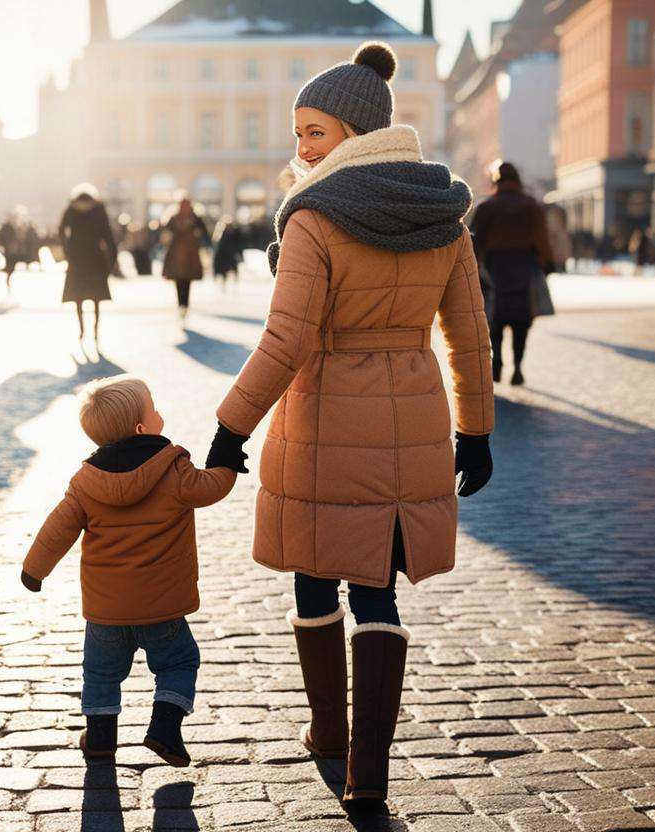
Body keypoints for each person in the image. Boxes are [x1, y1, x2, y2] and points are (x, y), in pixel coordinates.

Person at [205, 41, 494, 814]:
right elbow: (468, 335)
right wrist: (477, 429)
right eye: (298, 132)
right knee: (377, 590)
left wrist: (231, 429)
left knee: (314, 573)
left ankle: (329, 730)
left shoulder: (314, 216)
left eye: (316, 131)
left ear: (356, 133)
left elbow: (286, 341)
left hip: (325, 420)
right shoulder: (444, 215)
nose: (302, 146)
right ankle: (369, 770)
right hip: (412, 421)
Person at [19, 376, 237, 766]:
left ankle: (100, 738)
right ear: (141, 427)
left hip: (106, 611)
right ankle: (164, 727)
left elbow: (57, 529)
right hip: (162, 608)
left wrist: (34, 571)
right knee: (179, 662)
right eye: (153, 408)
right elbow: (211, 488)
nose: (158, 411)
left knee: (100, 674)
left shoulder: (86, 482)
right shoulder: (174, 469)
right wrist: (227, 456)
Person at [471, 161, 554, 386]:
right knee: (521, 320)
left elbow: (475, 241)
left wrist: (474, 267)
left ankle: (497, 362)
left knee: (495, 317)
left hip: (494, 267)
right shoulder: (531, 206)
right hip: (524, 266)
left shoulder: (487, 207)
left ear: (497, 180)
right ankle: (518, 367)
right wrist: (547, 263)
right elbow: (541, 238)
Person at [58, 185, 118, 345]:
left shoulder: (72, 208)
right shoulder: (98, 209)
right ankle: (95, 330)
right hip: (95, 257)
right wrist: (112, 259)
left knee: (78, 297)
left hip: (76, 258)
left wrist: (67, 249)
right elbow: (108, 234)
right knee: (96, 298)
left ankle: (82, 330)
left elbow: (61, 230)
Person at [160, 198, 208, 321]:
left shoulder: (194, 218)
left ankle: (183, 305)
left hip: (187, 254)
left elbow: (204, 232)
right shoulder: (176, 217)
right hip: (180, 253)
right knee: (181, 280)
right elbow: (166, 231)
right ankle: (183, 305)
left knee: (184, 281)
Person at [211, 215, 245, 287]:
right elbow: (218, 246)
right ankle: (225, 283)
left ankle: (235, 283)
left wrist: (239, 253)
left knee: (234, 269)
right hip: (224, 256)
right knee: (224, 271)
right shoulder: (221, 233)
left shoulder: (235, 233)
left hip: (231, 255)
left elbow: (239, 244)